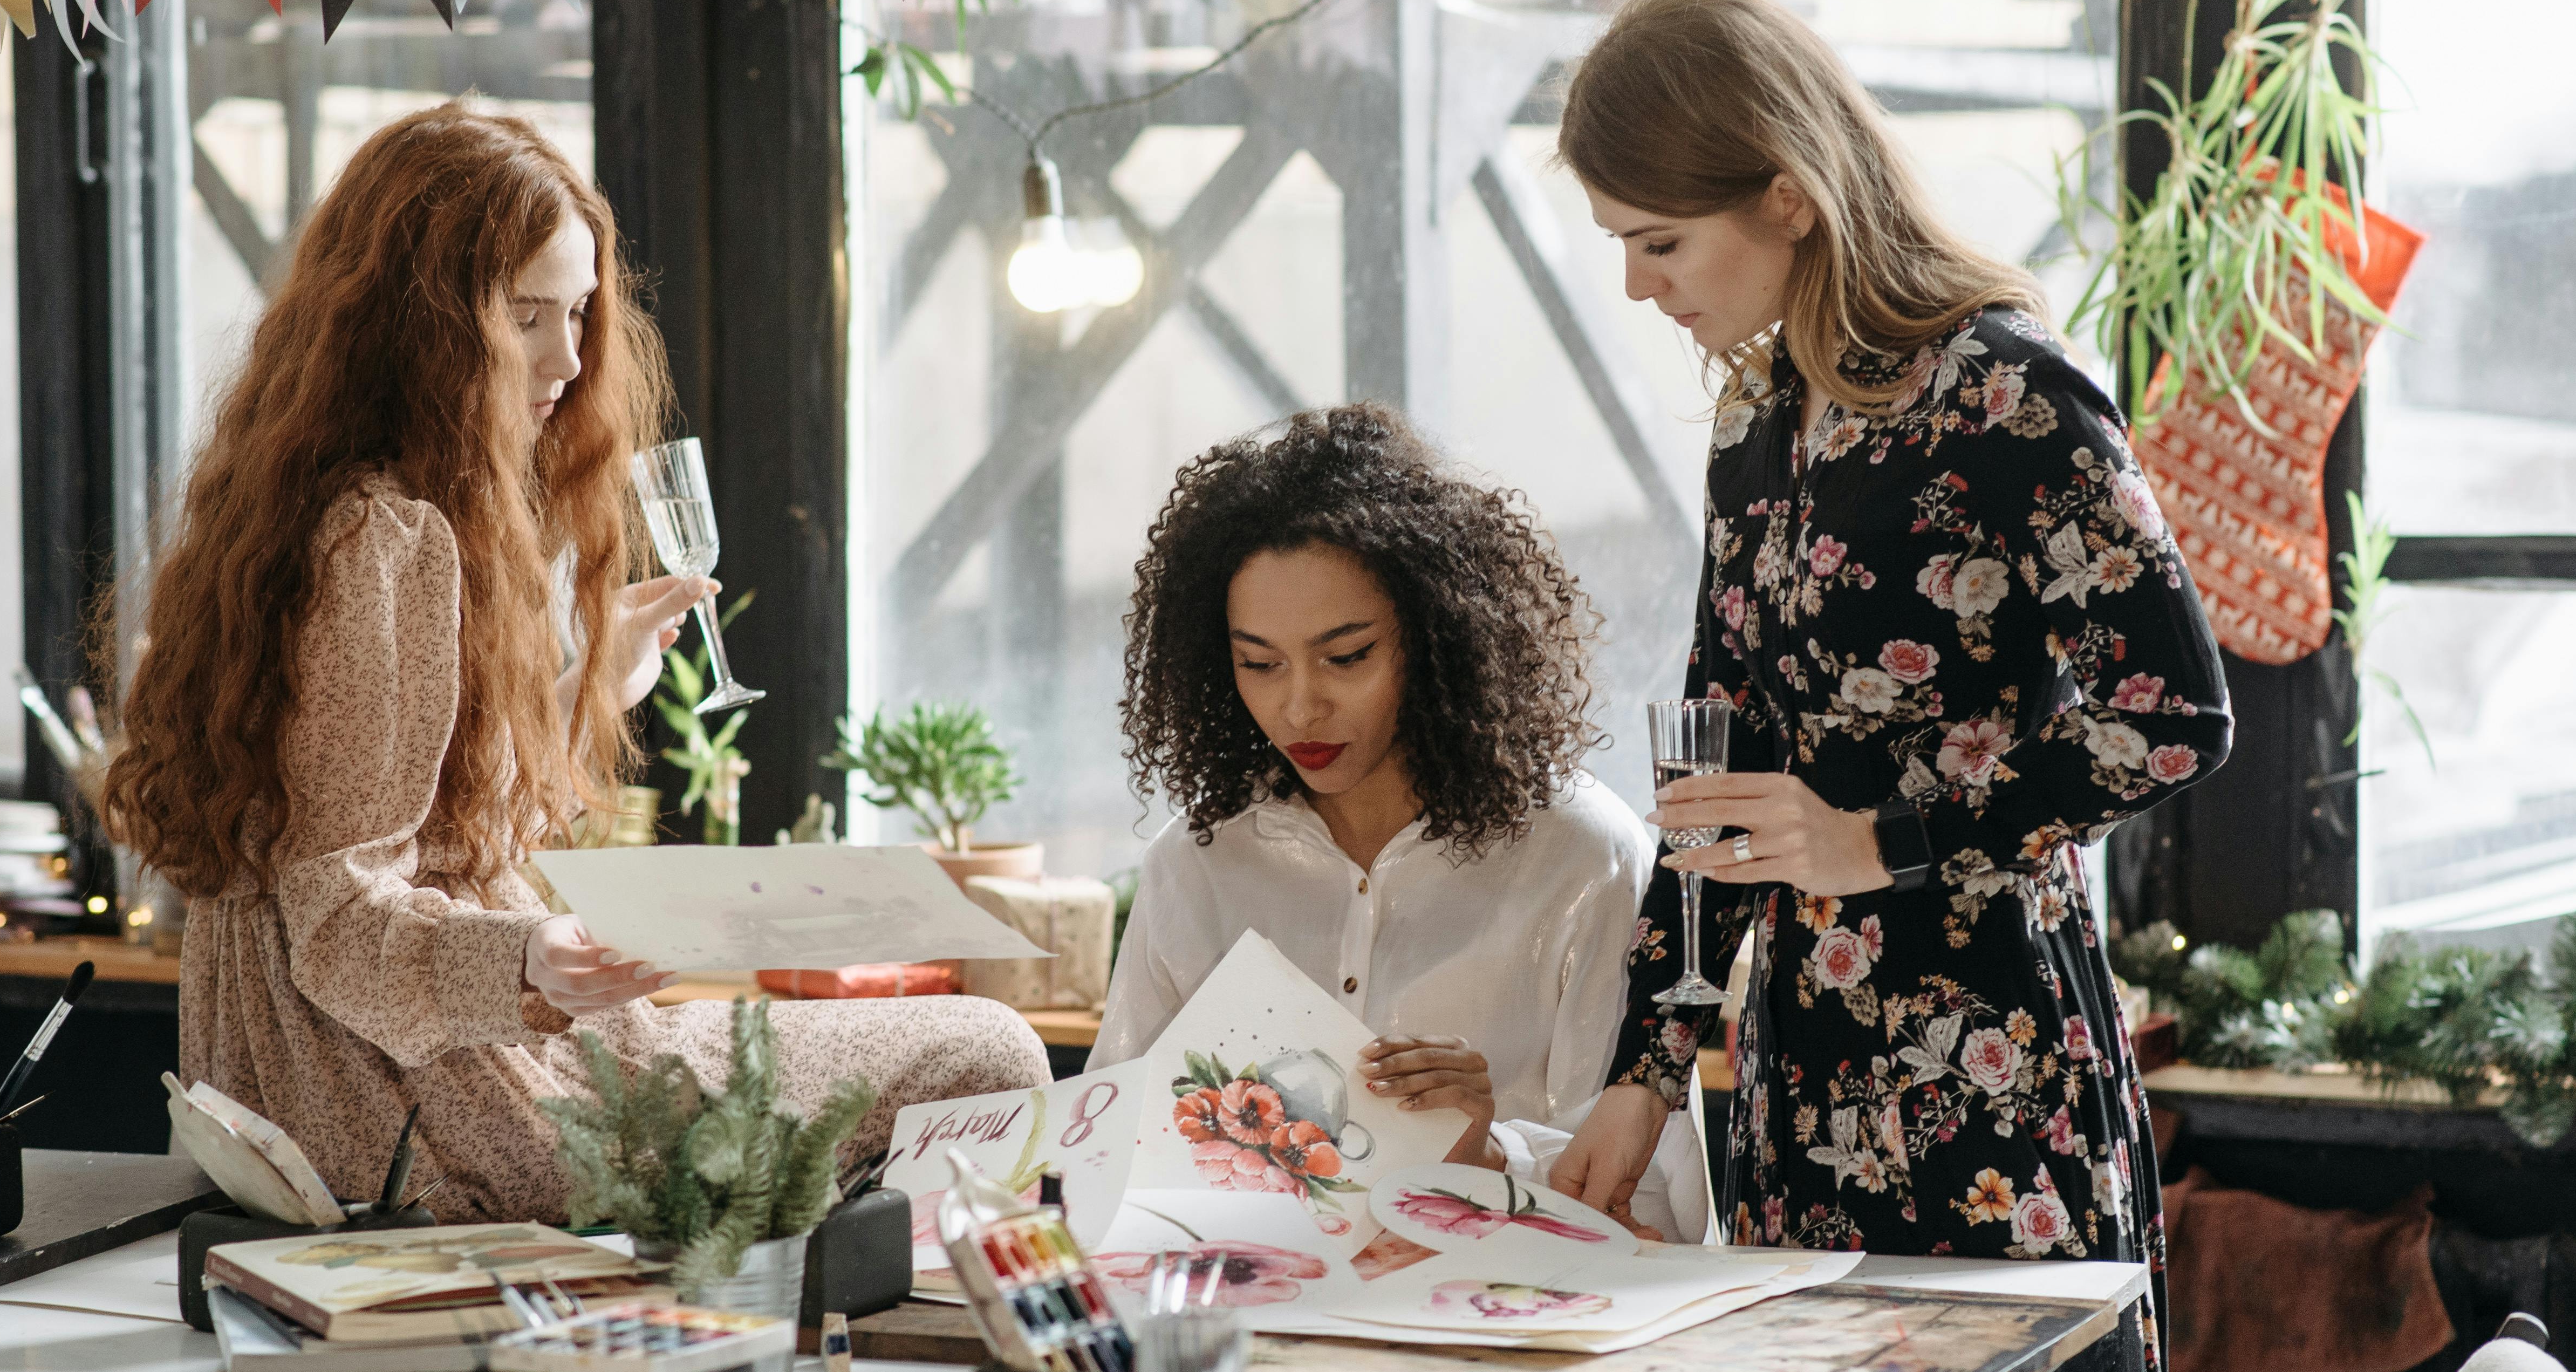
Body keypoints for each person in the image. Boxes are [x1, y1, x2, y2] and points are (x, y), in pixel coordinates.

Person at [1544, 0, 2231, 1372]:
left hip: (1990, 1076)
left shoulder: (2010, 397)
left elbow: (2174, 716)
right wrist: (1645, 1076)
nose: (1634, 285)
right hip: (1794, 1082)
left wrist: (1883, 837)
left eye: (1659, 242)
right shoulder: (1756, 423)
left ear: (1784, 194)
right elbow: (1712, 775)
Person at [98, 103, 1046, 1226]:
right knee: (989, 1052)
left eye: (583, 311)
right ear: (421, 325)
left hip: (382, 1071)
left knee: (962, 1059)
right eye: (527, 316)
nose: (571, 359)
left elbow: (410, 821)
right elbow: (343, 919)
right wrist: (526, 961)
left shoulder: (338, 507)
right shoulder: (386, 539)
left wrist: (586, 692)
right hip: (413, 1096)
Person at [1091, 404, 1710, 1240]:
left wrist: (1486, 1155)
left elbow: (1663, 1220)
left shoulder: (1580, 855)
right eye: (1257, 663)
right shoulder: (1195, 862)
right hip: (1266, 1316)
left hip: (1510, 1330)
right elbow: (1106, 1161)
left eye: (1346, 657)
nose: (1299, 703)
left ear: (1437, 635)